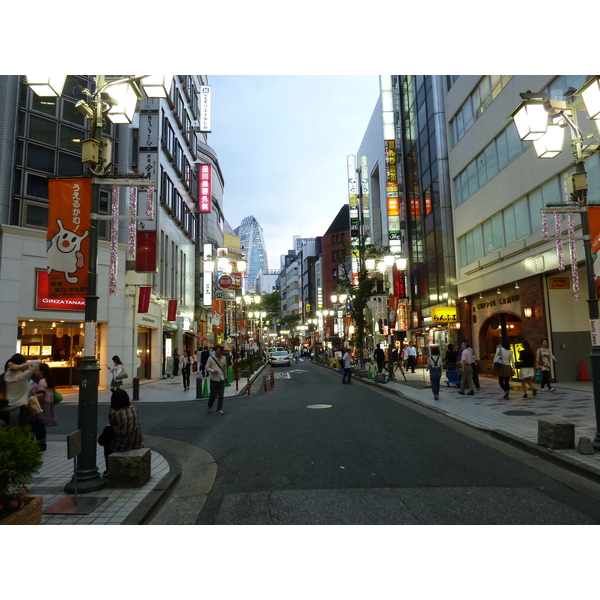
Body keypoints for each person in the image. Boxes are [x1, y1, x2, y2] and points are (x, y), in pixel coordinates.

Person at [101, 388, 143, 476]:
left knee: (106, 445)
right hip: (136, 442)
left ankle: (109, 470)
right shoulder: (133, 408)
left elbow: (113, 426)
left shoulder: (113, 413)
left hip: (121, 445)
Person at [3, 354, 41, 426]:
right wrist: (23, 365)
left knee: (10, 430)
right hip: (21, 407)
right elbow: (37, 362)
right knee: (21, 429)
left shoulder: (7, 374)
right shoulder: (22, 376)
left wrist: (17, 365)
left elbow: (10, 363)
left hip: (8, 407)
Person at [29, 362, 58, 451]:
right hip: (43, 405)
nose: (35, 371)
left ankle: (41, 445)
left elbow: (41, 393)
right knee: (38, 425)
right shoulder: (42, 380)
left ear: (41, 371)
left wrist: (31, 398)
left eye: (37, 369)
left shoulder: (42, 381)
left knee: (38, 425)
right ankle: (40, 444)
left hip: (40, 405)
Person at [206, 345, 228, 414]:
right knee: (213, 394)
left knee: (221, 395)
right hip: (213, 379)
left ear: (221, 351)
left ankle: (219, 409)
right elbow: (206, 367)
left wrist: (226, 377)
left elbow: (225, 369)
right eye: (217, 350)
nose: (218, 352)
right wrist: (212, 371)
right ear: (215, 351)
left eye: (220, 350)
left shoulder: (224, 358)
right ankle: (210, 406)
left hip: (221, 378)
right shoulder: (211, 358)